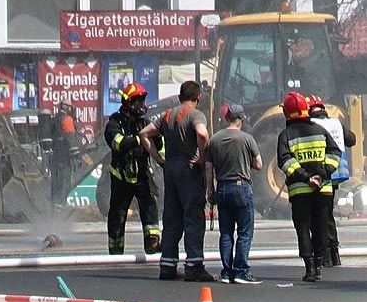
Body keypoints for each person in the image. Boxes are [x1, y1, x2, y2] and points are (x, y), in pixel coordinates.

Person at [140, 80, 213, 282]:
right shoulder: (196, 114)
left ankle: (168, 266)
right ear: (198, 97)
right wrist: (201, 156)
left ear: (180, 96)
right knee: (193, 216)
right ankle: (194, 266)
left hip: (170, 170)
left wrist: (159, 159)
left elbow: (144, 133)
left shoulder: (167, 115)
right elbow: (202, 133)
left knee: (172, 218)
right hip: (188, 170)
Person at [277, 92, 341, 282]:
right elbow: (335, 153)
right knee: (321, 227)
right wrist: (322, 174)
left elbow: (285, 161)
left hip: (300, 191)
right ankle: (319, 265)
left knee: (303, 228)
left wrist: (306, 178)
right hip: (323, 189)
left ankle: (310, 269)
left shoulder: (285, 135)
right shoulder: (321, 131)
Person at [205, 104, 263, 284]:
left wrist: (210, 190)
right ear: (243, 119)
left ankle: (226, 272)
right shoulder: (247, 139)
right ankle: (241, 271)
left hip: (221, 187)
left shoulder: (214, 139)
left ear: (226, 118)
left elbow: (208, 167)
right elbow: (259, 165)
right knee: (244, 232)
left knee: (226, 233)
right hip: (241, 187)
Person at [104, 83, 163, 255]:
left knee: (150, 205)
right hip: (121, 175)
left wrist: (157, 136)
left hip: (142, 173)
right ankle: (115, 249)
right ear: (128, 103)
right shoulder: (115, 122)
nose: (141, 105)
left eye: (142, 101)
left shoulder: (145, 122)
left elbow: (158, 146)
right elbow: (118, 143)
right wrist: (141, 138)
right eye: (137, 101)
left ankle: (152, 243)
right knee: (118, 214)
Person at [306, 94, 356, 267]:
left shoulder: (312, 125)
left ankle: (325, 254)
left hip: (321, 173)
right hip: (337, 172)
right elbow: (352, 140)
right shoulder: (335, 122)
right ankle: (335, 254)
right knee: (328, 213)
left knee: (320, 215)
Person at [50, 100, 81, 207]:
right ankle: (60, 209)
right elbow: (71, 139)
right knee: (64, 183)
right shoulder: (67, 120)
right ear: (66, 107)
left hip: (55, 157)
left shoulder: (55, 120)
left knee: (56, 184)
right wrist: (77, 156)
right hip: (65, 158)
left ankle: (54, 207)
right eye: (70, 107)